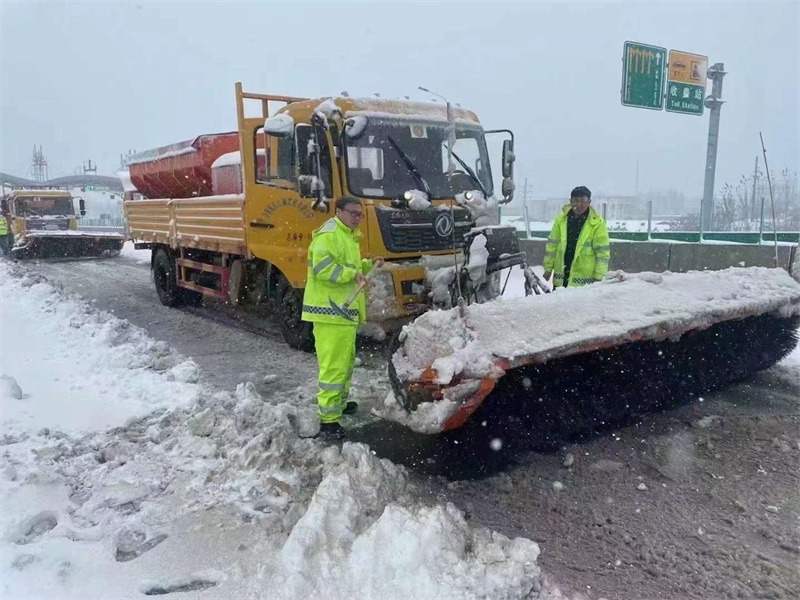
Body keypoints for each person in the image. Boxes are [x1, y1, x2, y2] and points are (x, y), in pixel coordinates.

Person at [301, 197, 383, 439]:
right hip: (330, 312)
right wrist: (351, 274)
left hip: (341, 312)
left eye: (360, 214)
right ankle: (328, 421)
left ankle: (339, 404)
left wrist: (367, 265)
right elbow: (322, 268)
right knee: (333, 367)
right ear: (338, 211)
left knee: (345, 363)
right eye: (353, 213)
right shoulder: (329, 234)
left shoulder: (347, 235)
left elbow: (349, 267)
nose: (358, 218)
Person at [543, 186, 610, 289]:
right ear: (570, 201)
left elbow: (602, 253)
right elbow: (552, 246)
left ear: (589, 202)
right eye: (575, 200)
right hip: (561, 281)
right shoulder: (561, 219)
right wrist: (548, 268)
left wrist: (599, 276)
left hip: (584, 285)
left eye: (583, 201)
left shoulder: (597, 223)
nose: (578, 204)